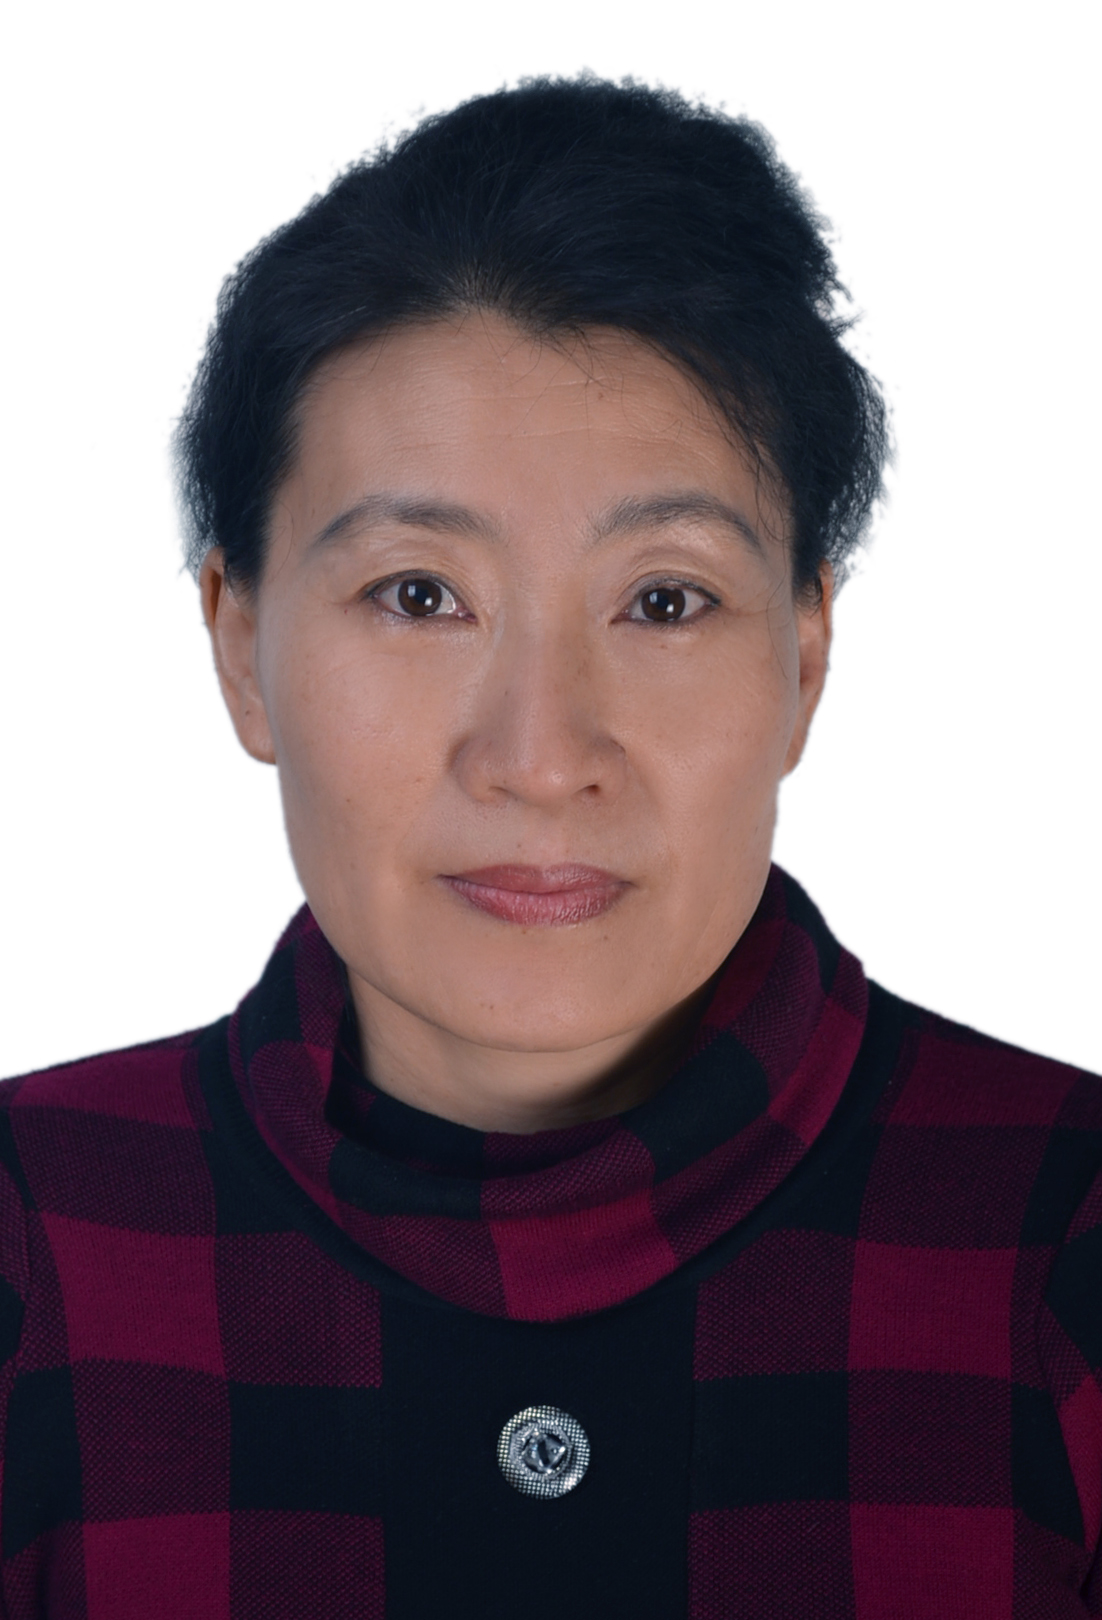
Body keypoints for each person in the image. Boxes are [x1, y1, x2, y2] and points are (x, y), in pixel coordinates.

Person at [1, 75, 1099, 1620]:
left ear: (803, 659)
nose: (537, 756)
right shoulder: (35, 1233)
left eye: (663, 600)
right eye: (417, 596)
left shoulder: (1064, 1232)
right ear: (240, 643)